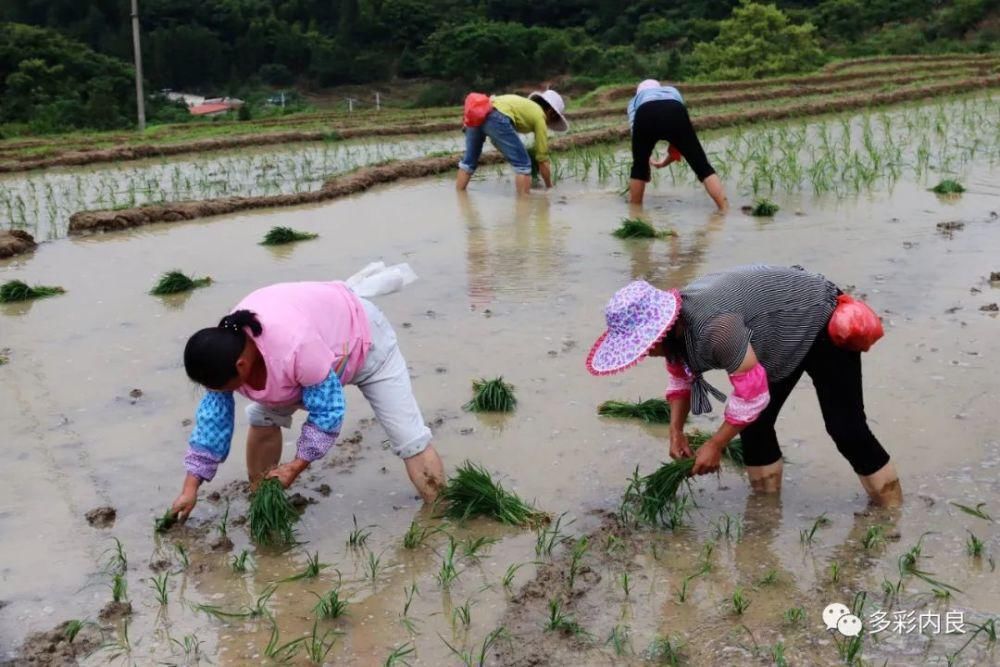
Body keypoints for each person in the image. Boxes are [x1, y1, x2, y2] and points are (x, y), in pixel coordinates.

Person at [585, 265, 902, 507]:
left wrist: (716, 444)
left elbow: (751, 394)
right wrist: (676, 431)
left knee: (846, 429)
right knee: (756, 428)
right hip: (776, 337)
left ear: (661, 330)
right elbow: (680, 378)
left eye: (643, 344)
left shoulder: (715, 329)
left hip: (816, 315)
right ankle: (766, 514)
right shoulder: (675, 334)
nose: (644, 352)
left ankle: (892, 512)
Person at [170, 281, 446, 520]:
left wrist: (296, 466)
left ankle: (442, 513)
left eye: (222, 387)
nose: (219, 392)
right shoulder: (223, 349)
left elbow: (327, 413)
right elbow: (213, 423)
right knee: (262, 417)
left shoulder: (294, 347)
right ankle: (263, 500)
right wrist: (190, 488)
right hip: (311, 346)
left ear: (241, 366)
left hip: (364, 340)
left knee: (410, 439)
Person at [627, 79, 728, 211]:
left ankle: (636, 213)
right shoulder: (672, 91)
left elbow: (636, 133)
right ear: (659, 87)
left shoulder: (635, 100)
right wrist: (663, 163)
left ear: (638, 92)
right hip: (674, 108)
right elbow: (679, 143)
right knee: (702, 166)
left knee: (638, 169)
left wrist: (645, 160)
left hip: (645, 111)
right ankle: (725, 209)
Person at [456, 90, 570, 196]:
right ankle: (523, 205)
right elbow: (542, 158)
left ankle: (460, 198)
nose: (549, 123)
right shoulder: (540, 116)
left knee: (468, 162)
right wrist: (549, 187)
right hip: (496, 116)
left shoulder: (523, 105)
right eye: (554, 119)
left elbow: (497, 140)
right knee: (523, 164)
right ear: (551, 112)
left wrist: (511, 155)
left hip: (476, 114)